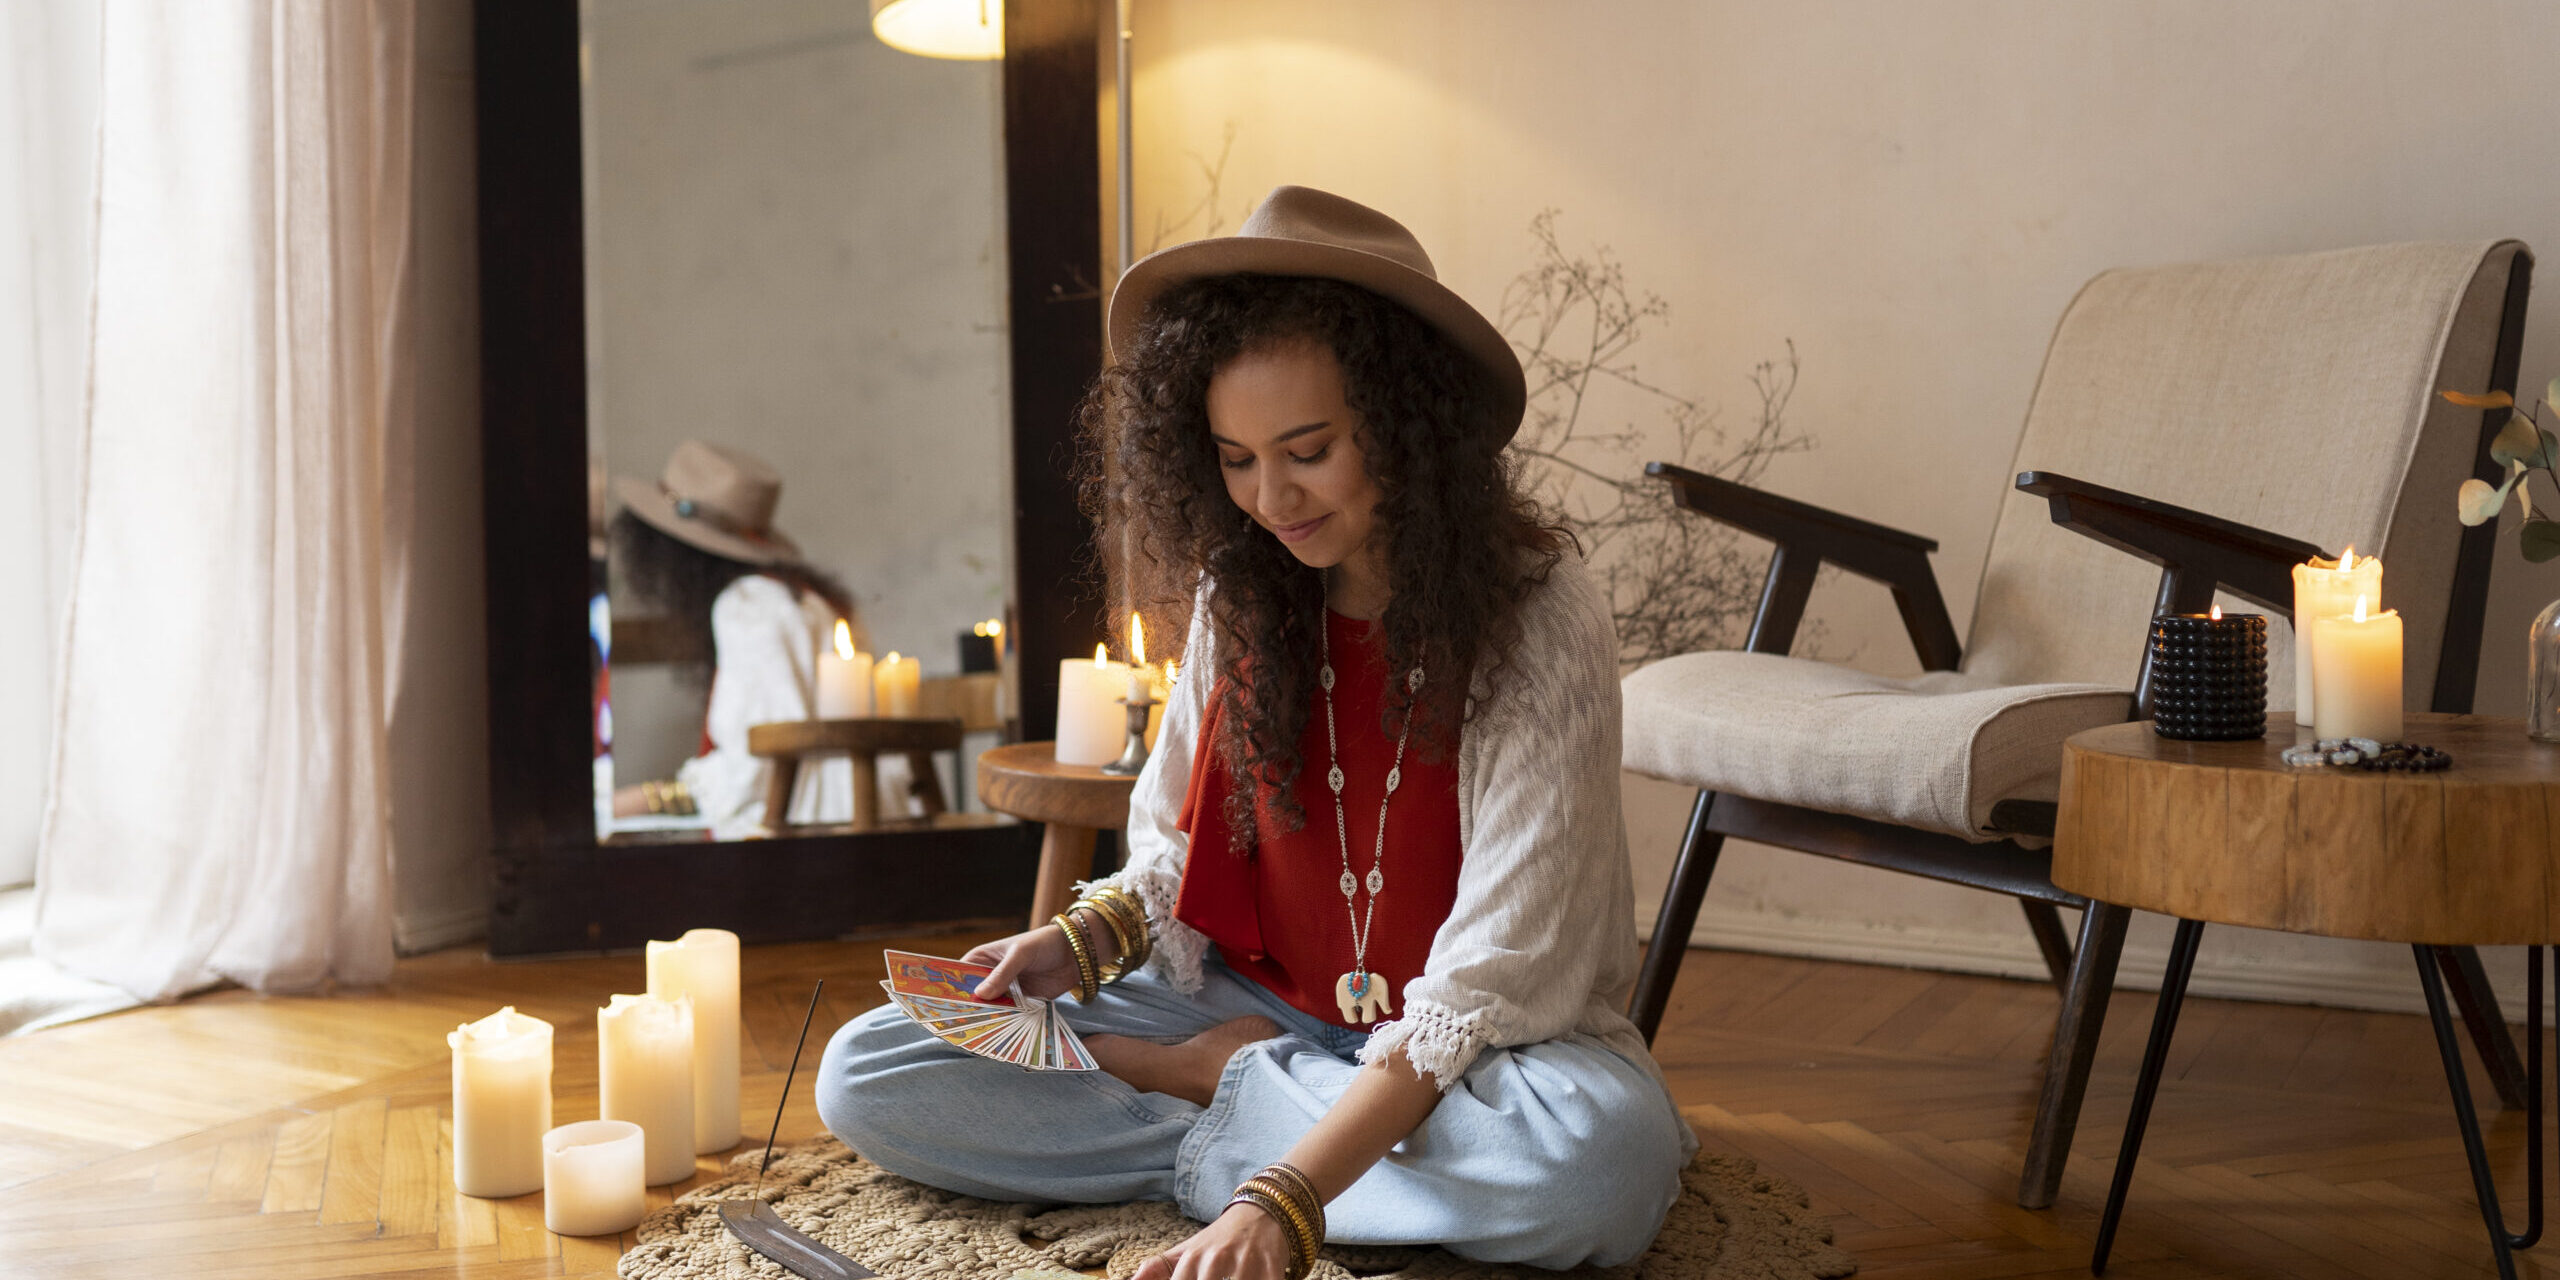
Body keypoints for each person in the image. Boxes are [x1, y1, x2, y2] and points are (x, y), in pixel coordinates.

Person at [817, 187, 1690, 1274]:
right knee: (869, 1069)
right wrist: (1072, 946)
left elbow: (1495, 976)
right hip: (1234, 998)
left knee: (1597, 1167)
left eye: (1307, 449)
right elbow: (1174, 853)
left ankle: (1216, 1103)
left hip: (1471, 1053)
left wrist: (1281, 1201)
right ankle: (1289, 1125)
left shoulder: (1539, 612)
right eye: (1235, 458)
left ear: (1407, 427)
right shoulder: (1238, 589)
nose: (1271, 498)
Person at [605, 439, 860, 833]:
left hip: (802, 829)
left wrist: (646, 800)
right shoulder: (798, 598)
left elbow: (759, 759)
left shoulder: (748, 606)